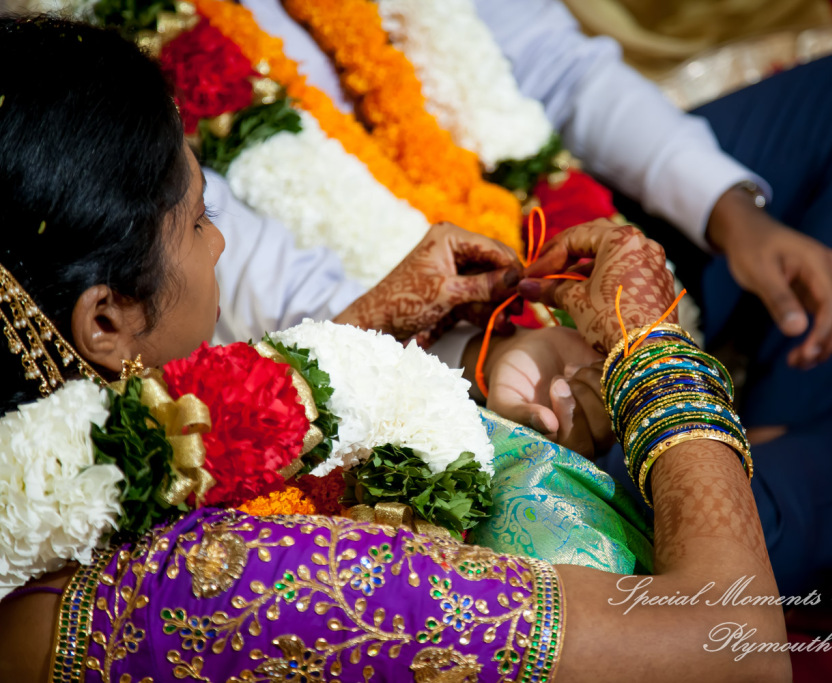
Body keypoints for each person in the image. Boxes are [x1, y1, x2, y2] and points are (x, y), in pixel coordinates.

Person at [0, 18, 791, 683]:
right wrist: (651, 350)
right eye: (201, 218)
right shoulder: (224, 580)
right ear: (104, 321)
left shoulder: (58, 474)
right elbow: (737, 642)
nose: (221, 244)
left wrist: (369, 326)